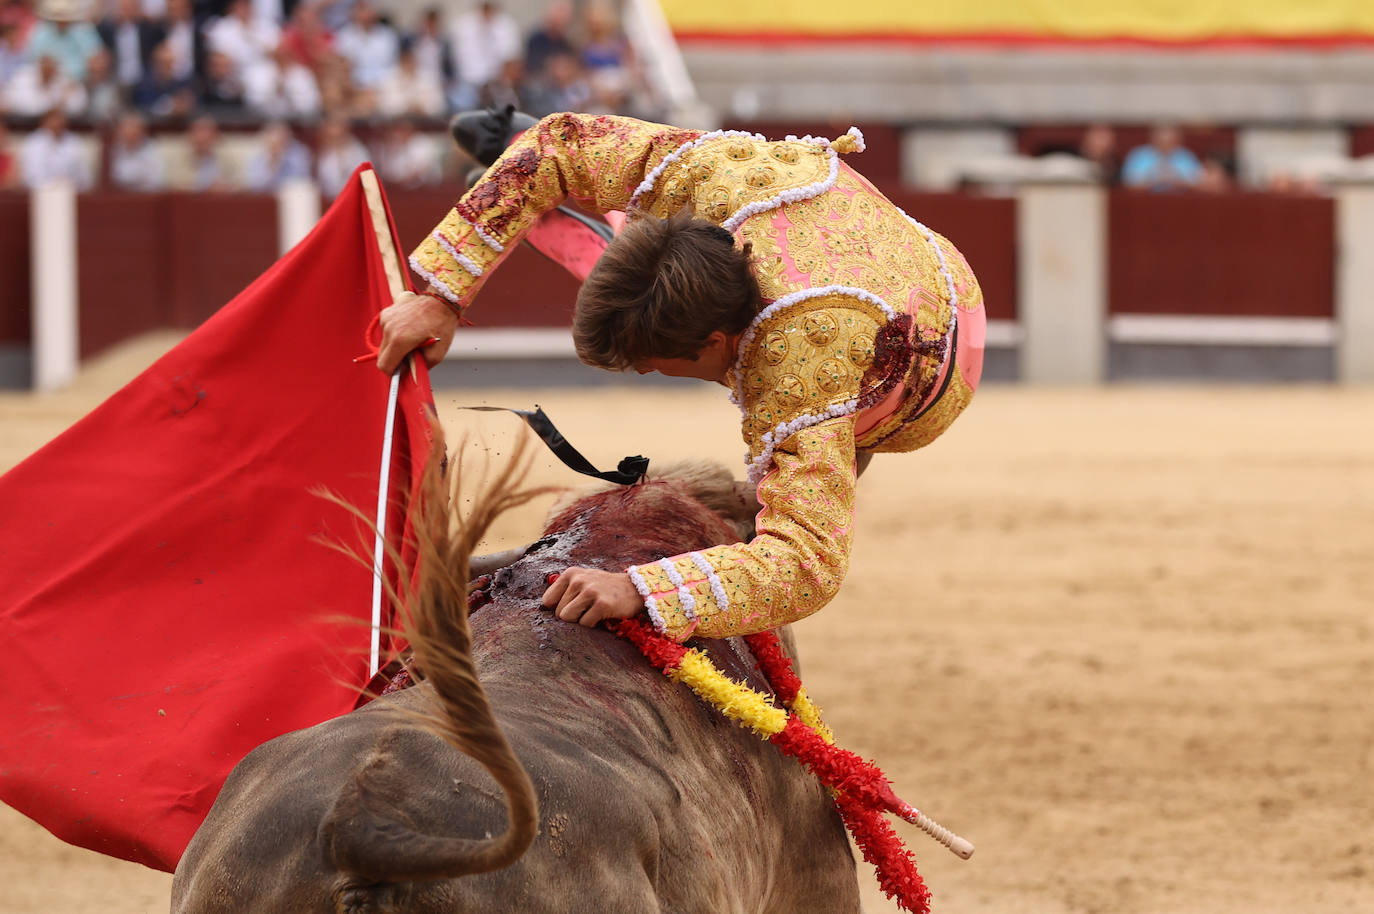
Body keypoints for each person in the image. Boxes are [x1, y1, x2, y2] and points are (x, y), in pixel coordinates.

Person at [378, 112, 986, 642]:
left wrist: (643, 590)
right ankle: (612, 228)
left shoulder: (800, 367)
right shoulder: (709, 173)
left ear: (720, 345)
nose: (645, 373)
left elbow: (806, 562)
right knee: (647, 265)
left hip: (931, 372)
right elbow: (559, 143)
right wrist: (439, 295)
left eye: (652, 366)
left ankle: (606, 229)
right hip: (858, 247)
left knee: (768, 500)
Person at [1121, 124, 1203, 192]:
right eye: (1161, 142)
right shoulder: (1138, 156)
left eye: (1170, 142)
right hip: (1144, 204)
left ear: (1178, 140)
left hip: (1181, 204)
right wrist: (1155, 182)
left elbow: (1198, 184)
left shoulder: (1187, 157)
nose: (1165, 146)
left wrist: (1175, 182)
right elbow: (1128, 184)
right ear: (1153, 139)